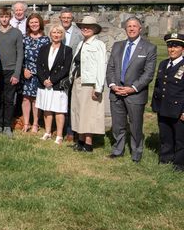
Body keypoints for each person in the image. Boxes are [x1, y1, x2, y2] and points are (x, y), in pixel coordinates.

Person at [106, 17, 157, 162]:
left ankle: (136, 152)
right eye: (129, 26)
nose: (132, 29)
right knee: (117, 124)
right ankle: (118, 150)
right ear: (125, 29)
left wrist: (132, 88)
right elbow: (110, 68)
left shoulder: (149, 48)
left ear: (140, 29)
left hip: (135, 94)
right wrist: (113, 85)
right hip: (116, 92)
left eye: (135, 26)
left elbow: (148, 74)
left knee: (135, 125)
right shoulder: (117, 46)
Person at [69, 16, 107, 152]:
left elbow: (101, 67)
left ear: (95, 29)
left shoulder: (99, 45)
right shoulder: (81, 43)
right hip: (78, 81)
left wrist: (98, 88)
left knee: (89, 113)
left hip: (89, 83)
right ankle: (80, 140)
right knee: (78, 111)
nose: (85, 28)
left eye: (89, 26)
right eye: (83, 26)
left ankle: (88, 144)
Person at [151, 33, 184, 171]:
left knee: (180, 139)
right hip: (163, 107)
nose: (172, 49)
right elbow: (159, 86)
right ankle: (165, 159)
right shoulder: (164, 63)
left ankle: (179, 164)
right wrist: (155, 104)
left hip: (179, 109)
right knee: (165, 135)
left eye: (176, 46)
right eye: (170, 46)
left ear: (182, 49)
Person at [36, 24, 72, 144]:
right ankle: (47, 132)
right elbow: (39, 66)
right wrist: (44, 80)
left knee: (59, 109)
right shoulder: (43, 48)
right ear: (50, 34)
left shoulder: (67, 50)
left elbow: (66, 69)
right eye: (54, 32)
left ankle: (60, 135)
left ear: (63, 35)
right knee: (47, 108)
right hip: (44, 83)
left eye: (59, 33)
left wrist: (52, 80)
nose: (56, 35)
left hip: (57, 85)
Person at [0, 6, 23, 137]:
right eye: (2, 17)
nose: (4, 19)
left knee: (9, 100)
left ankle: (7, 126)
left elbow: (20, 54)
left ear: (10, 18)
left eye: (6, 17)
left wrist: (17, 73)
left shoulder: (16, 33)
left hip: (11, 70)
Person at [21, 13, 50, 133]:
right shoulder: (24, 38)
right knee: (26, 99)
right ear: (28, 24)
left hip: (40, 73)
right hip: (26, 72)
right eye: (31, 22)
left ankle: (35, 124)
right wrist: (23, 70)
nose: (34, 24)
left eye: (36, 22)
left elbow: (48, 58)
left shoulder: (46, 39)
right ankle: (26, 123)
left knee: (36, 100)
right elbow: (20, 56)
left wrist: (42, 73)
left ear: (40, 23)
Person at [59, 8, 83, 142]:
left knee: (71, 103)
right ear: (60, 18)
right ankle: (59, 129)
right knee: (60, 101)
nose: (66, 20)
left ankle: (70, 130)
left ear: (72, 19)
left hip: (72, 72)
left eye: (68, 18)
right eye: (64, 17)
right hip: (58, 71)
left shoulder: (78, 34)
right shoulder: (56, 30)